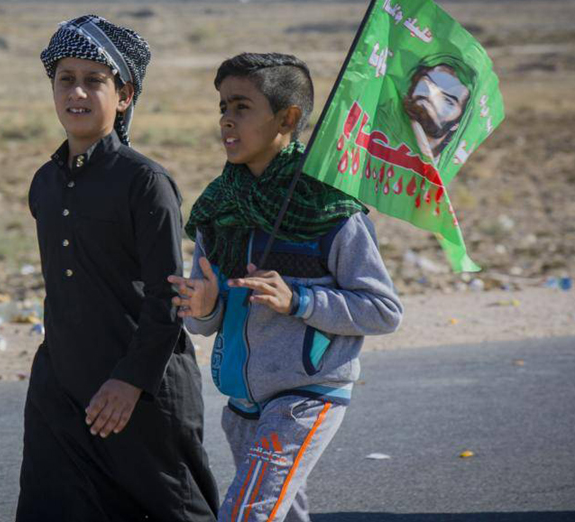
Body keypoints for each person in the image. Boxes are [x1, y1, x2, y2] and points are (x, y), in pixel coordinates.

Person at [169, 53, 403, 522]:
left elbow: (382, 309)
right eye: (222, 107)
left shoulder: (329, 208)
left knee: (246, 514)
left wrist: (299, 300)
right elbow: (205, 322)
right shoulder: (219, 209)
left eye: (242, 107)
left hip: (306, 397)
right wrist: (204, 307)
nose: (226, 121)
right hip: (241, 405)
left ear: (287, 118)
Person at [16, 15, 219, 522]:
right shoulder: (44, 182)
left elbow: (167, 297)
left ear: (124, 94)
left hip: (142, 392)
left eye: (95, 80)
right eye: (66, 79)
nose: (77, 92)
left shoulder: (145, 182)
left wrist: (130, 381)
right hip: (60, 390)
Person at [402, 55, 475, 160]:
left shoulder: (445, 161)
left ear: (457, 124)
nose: (431, 95)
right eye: (426, 84)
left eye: (448, 101)